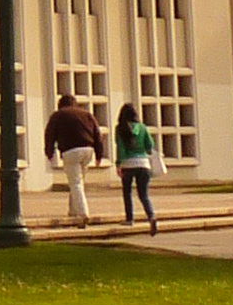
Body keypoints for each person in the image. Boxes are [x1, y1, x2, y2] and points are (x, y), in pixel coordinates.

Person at [42, 94, 107, 226]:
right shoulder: (87, 114)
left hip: (70, 151)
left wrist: (49, 153)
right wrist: (99, 155)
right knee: (78, 181)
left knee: (76, 183)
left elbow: (49, 135)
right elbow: (97, 134)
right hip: (88, 150)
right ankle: (73, 210)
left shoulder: (58, 115)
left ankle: (83, 214)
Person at [114, 103, 160, 234]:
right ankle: (151, 216)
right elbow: (150, 145)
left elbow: (120, 148)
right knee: (144, 194)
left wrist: (118, 164)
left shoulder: (120, 128)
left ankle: (130, 219)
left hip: (128, 164)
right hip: (143, 163)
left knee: (127, 192)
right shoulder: (143, 128)